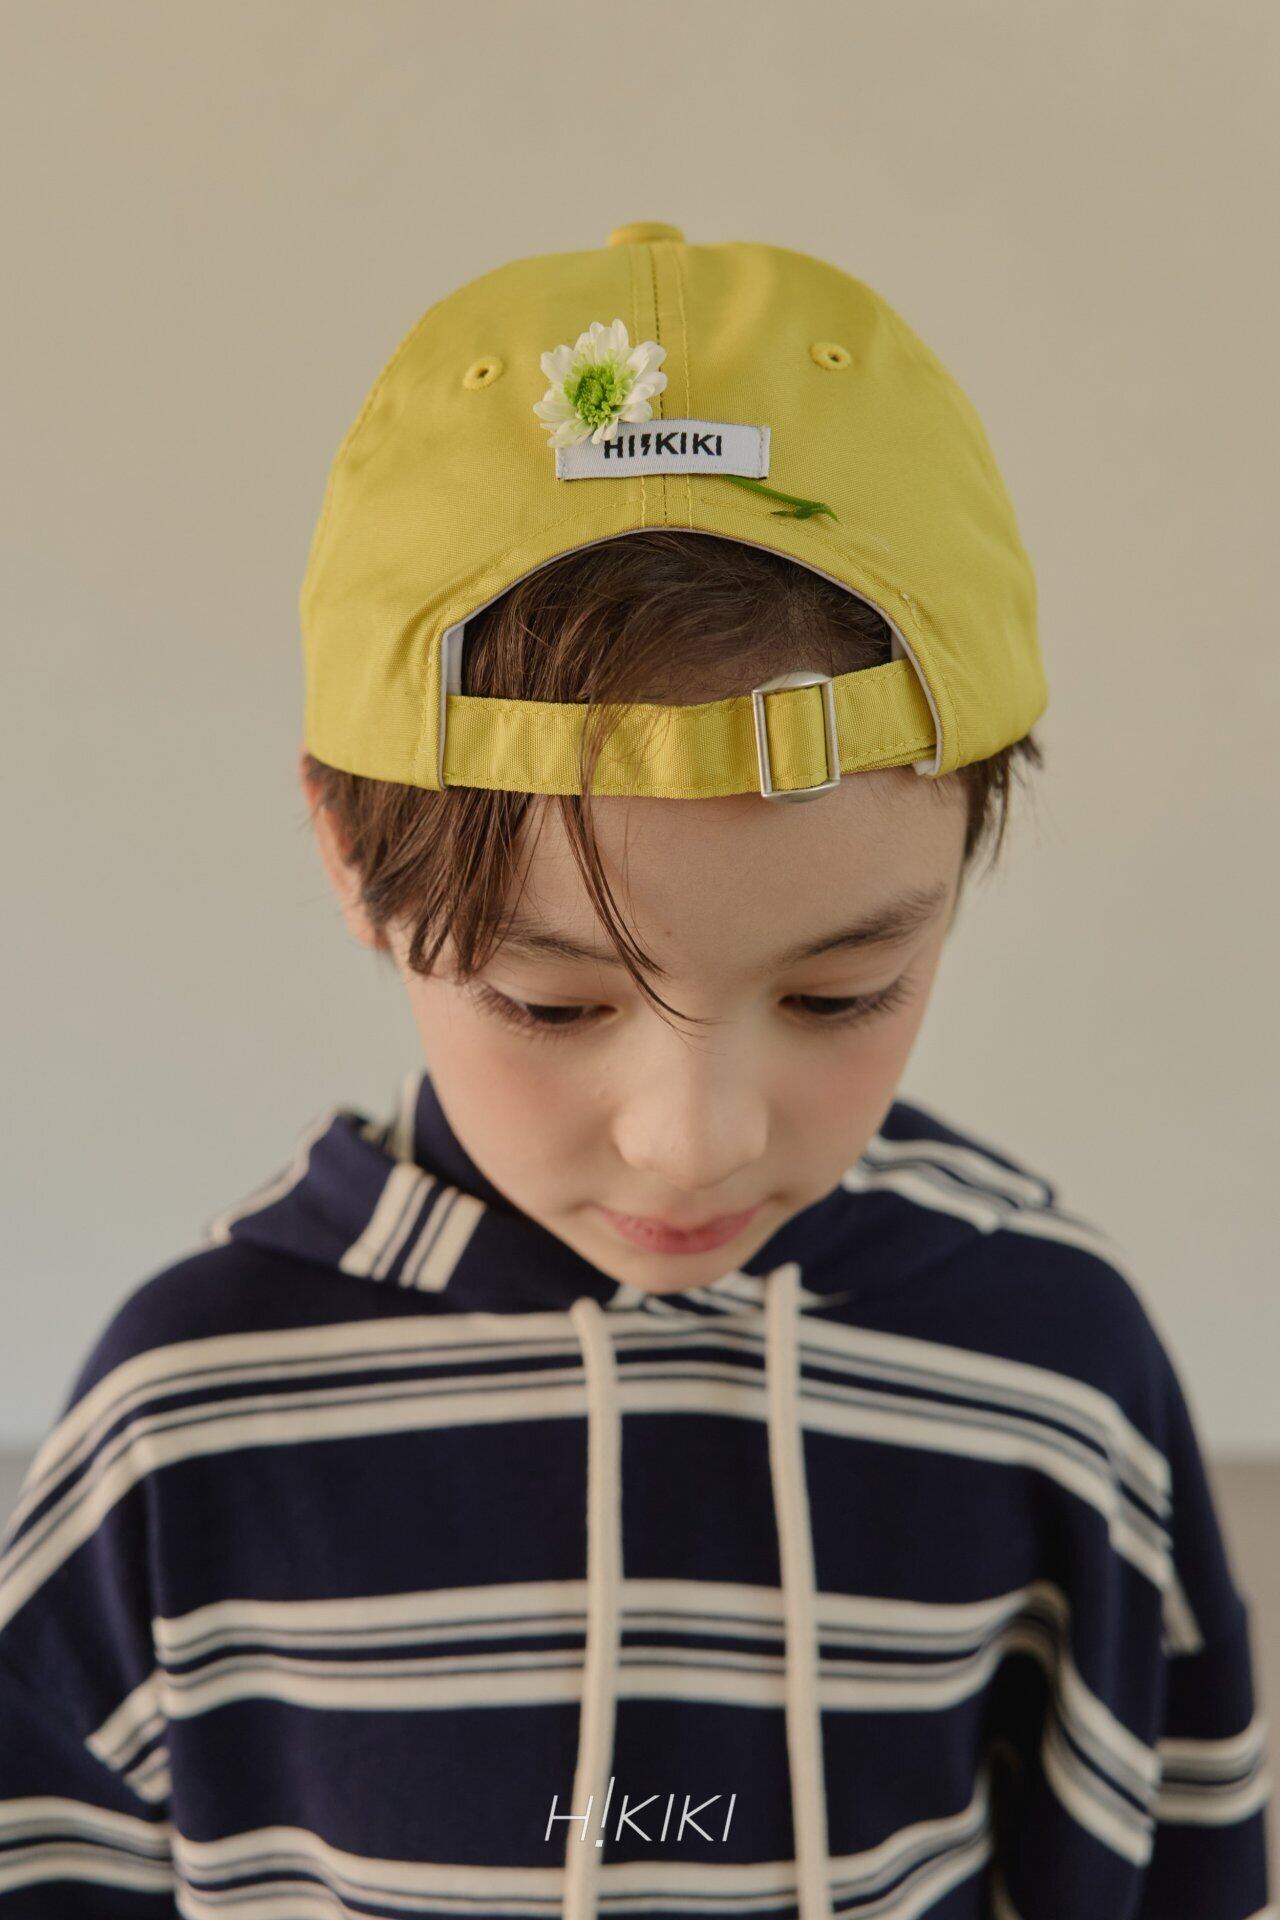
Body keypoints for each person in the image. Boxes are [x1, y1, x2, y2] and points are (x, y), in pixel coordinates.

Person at [0, 221, 1269, 1920]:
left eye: (841, 993)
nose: (694, 1142)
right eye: (551, 1004)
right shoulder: (181, 1423)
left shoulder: (1053, 1368)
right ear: (348, 855)